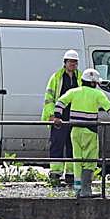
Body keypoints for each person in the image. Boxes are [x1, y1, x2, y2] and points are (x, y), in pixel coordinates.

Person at [52, 67, 110, 198]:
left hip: (75, 130)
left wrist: (57, 117)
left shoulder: (74, 92)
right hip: (90, 131)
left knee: (77, 159)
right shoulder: (98, 94)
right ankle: (86, 190)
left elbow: (59, 103)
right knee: (89, 160)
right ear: (94, 83)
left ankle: (77, 189)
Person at [42, 49, 80, 188]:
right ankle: (55, 174)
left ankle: (70, 174)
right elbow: (49, 99)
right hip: (59, 118)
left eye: (75, 62)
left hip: (74, 117)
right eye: (70, 61)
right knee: (57, 145)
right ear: (65, 63)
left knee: (72, 146)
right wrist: (52, 115)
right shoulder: (56, 77)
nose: (73, 64)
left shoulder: (80, 77)